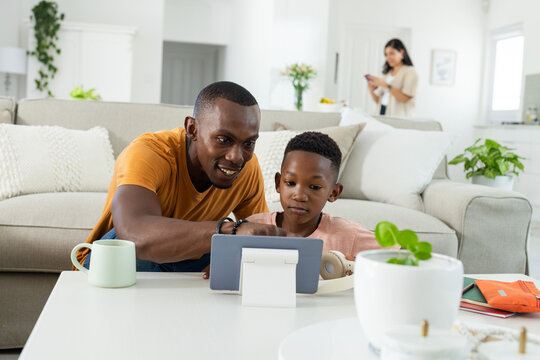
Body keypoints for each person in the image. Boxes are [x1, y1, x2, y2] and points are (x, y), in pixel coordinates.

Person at [75, 81, 288, 272]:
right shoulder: (148, 152)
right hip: (123, 257)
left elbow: (262, 244)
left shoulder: (247, 169)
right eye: (223, 139)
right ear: (192, 129)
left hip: (193, 258)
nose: (236, 157)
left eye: (249, 143)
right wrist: (228, 231)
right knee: (125, 246)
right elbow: (134, 236)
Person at [247, 131, 385, 257]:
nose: (299, 196)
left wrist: (360, 269)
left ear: (334, 193)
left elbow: (400, 255)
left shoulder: (349, 235)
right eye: (290, 183)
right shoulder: (253, 227)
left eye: (314, 187)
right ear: (278, 183)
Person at [366, 38, 418, 117]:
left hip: (400, 116)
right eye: (386, 55)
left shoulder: (410, 72)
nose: (388, 57)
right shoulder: (386, 74)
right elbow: (378, 101)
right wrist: (371, 90)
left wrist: (385, 85)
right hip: (382, 112)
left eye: (391, 53)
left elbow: (405, 99)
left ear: (402, 52)